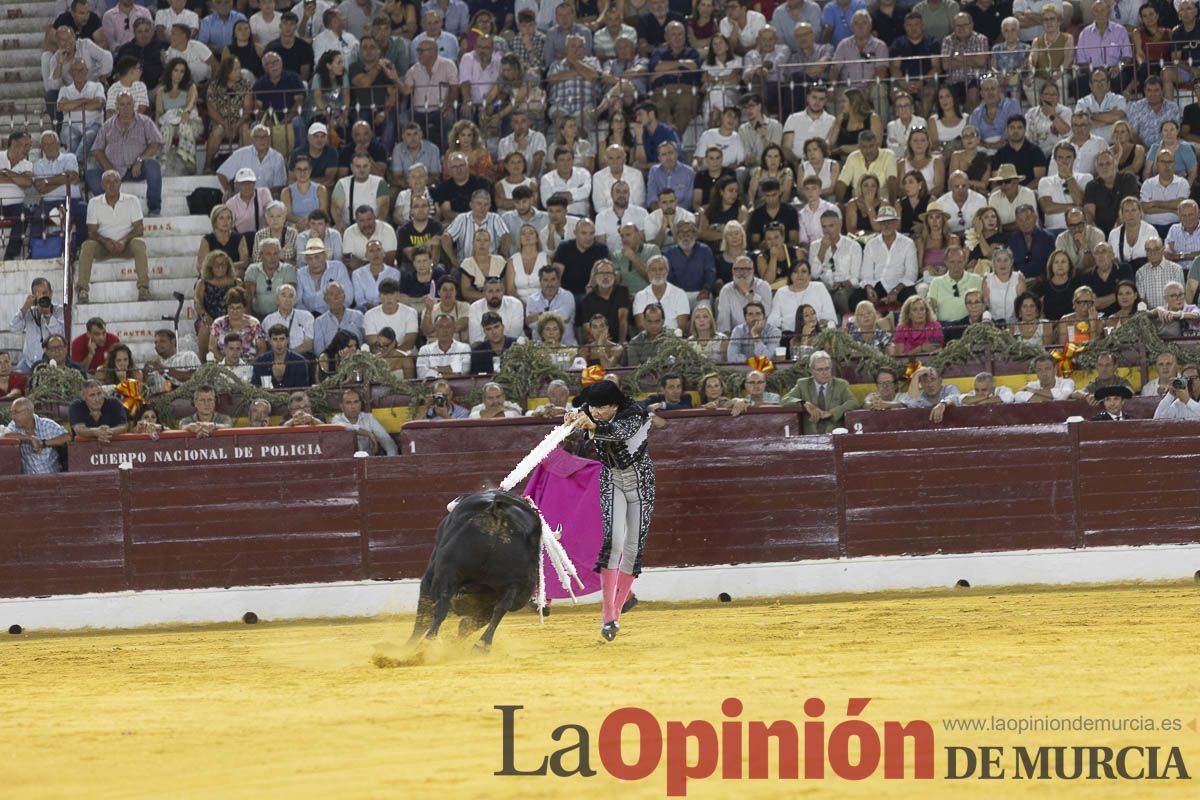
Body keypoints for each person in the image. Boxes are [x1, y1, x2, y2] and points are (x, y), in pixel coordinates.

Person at [564, 379, 655, 642]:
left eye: (602, 408)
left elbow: (619, 432)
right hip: (612, 480)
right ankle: (608, 614)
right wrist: (573, 418)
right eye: (593, 407)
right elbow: (580, 420)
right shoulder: (591, 410)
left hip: (641, 483)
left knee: (633, 548)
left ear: (614, 405)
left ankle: (617, 608)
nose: (595, 412)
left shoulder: (635, 414)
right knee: (613, 543)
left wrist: (592, 425)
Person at [76, 169, 149, 304]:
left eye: (116, 181)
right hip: (103, 247)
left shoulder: (132, 200)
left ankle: (144, 287)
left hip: (126, 245)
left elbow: (139, 228)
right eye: (108, 182)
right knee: (87, 246)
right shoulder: (94, 202)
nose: (112, 185)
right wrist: (105, 241)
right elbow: (91, 232)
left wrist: (124, 240)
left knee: (139, 243)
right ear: (102, 185)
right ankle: (82, 290)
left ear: (120, 184)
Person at [782, 349, 859, 433]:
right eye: (820, 370)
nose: (824, 373)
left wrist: (831, 413)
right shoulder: (802, 384)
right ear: (811, 370)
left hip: (834, 436)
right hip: (809, 437)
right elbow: (784, 400)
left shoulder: (840, 385)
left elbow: (853, 402)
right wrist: (804, 403)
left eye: (827, 368)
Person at [2, 398, 70, 474]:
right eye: (12, 413)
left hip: (53, 477)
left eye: (16, 412)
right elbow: (6, 435)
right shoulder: (14, 425)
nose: (13, 417)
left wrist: (43, 443)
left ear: (29, 412)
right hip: (28, 481)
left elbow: (67, 437)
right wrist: (30, 438)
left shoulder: (47, 424)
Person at [332, 387, 398, 454]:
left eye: (356, 402)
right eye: (348, 403)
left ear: (360, 404)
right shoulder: (336, 419)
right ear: (341, 406)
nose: (353, 406)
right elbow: (345, 427)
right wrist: (368, 434)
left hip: (368, 462)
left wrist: (391, 460)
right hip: (347, 463)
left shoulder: (369, 418)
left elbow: (387, 441)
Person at [253, 323, 311, 388]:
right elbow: (255, 387)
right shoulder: (260, 361)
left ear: (287, 340)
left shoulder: (300, 362)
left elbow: (302, 390)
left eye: (282, 339)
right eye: (275, 339)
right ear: (269, 341)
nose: (279, 344)